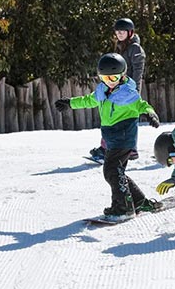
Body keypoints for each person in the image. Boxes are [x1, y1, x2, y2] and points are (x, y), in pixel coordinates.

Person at [55, 53, 161, 221]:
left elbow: (142, 105)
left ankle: (123, 208)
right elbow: (89, 100)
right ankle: (139, 201)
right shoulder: (102, 90)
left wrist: (150, 114)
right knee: (117, 172)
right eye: (104, 77)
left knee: (111, 171)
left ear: (123, 74)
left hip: (124, 137)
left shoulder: (128, 93)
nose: (109, 80)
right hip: (112, 138)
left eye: (114, 76)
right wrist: (70, 103)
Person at [90, 18, 147, 161]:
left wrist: (134, 90)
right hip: (116, 86)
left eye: (123, 31)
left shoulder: (135, 48)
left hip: (128, 88)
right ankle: (107, 147)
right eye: (117, 31)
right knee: (111, 116)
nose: (120, 34)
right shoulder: (120, 46)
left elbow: (138, 70)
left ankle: (128, 150)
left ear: (130, 32)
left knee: (127, 119)